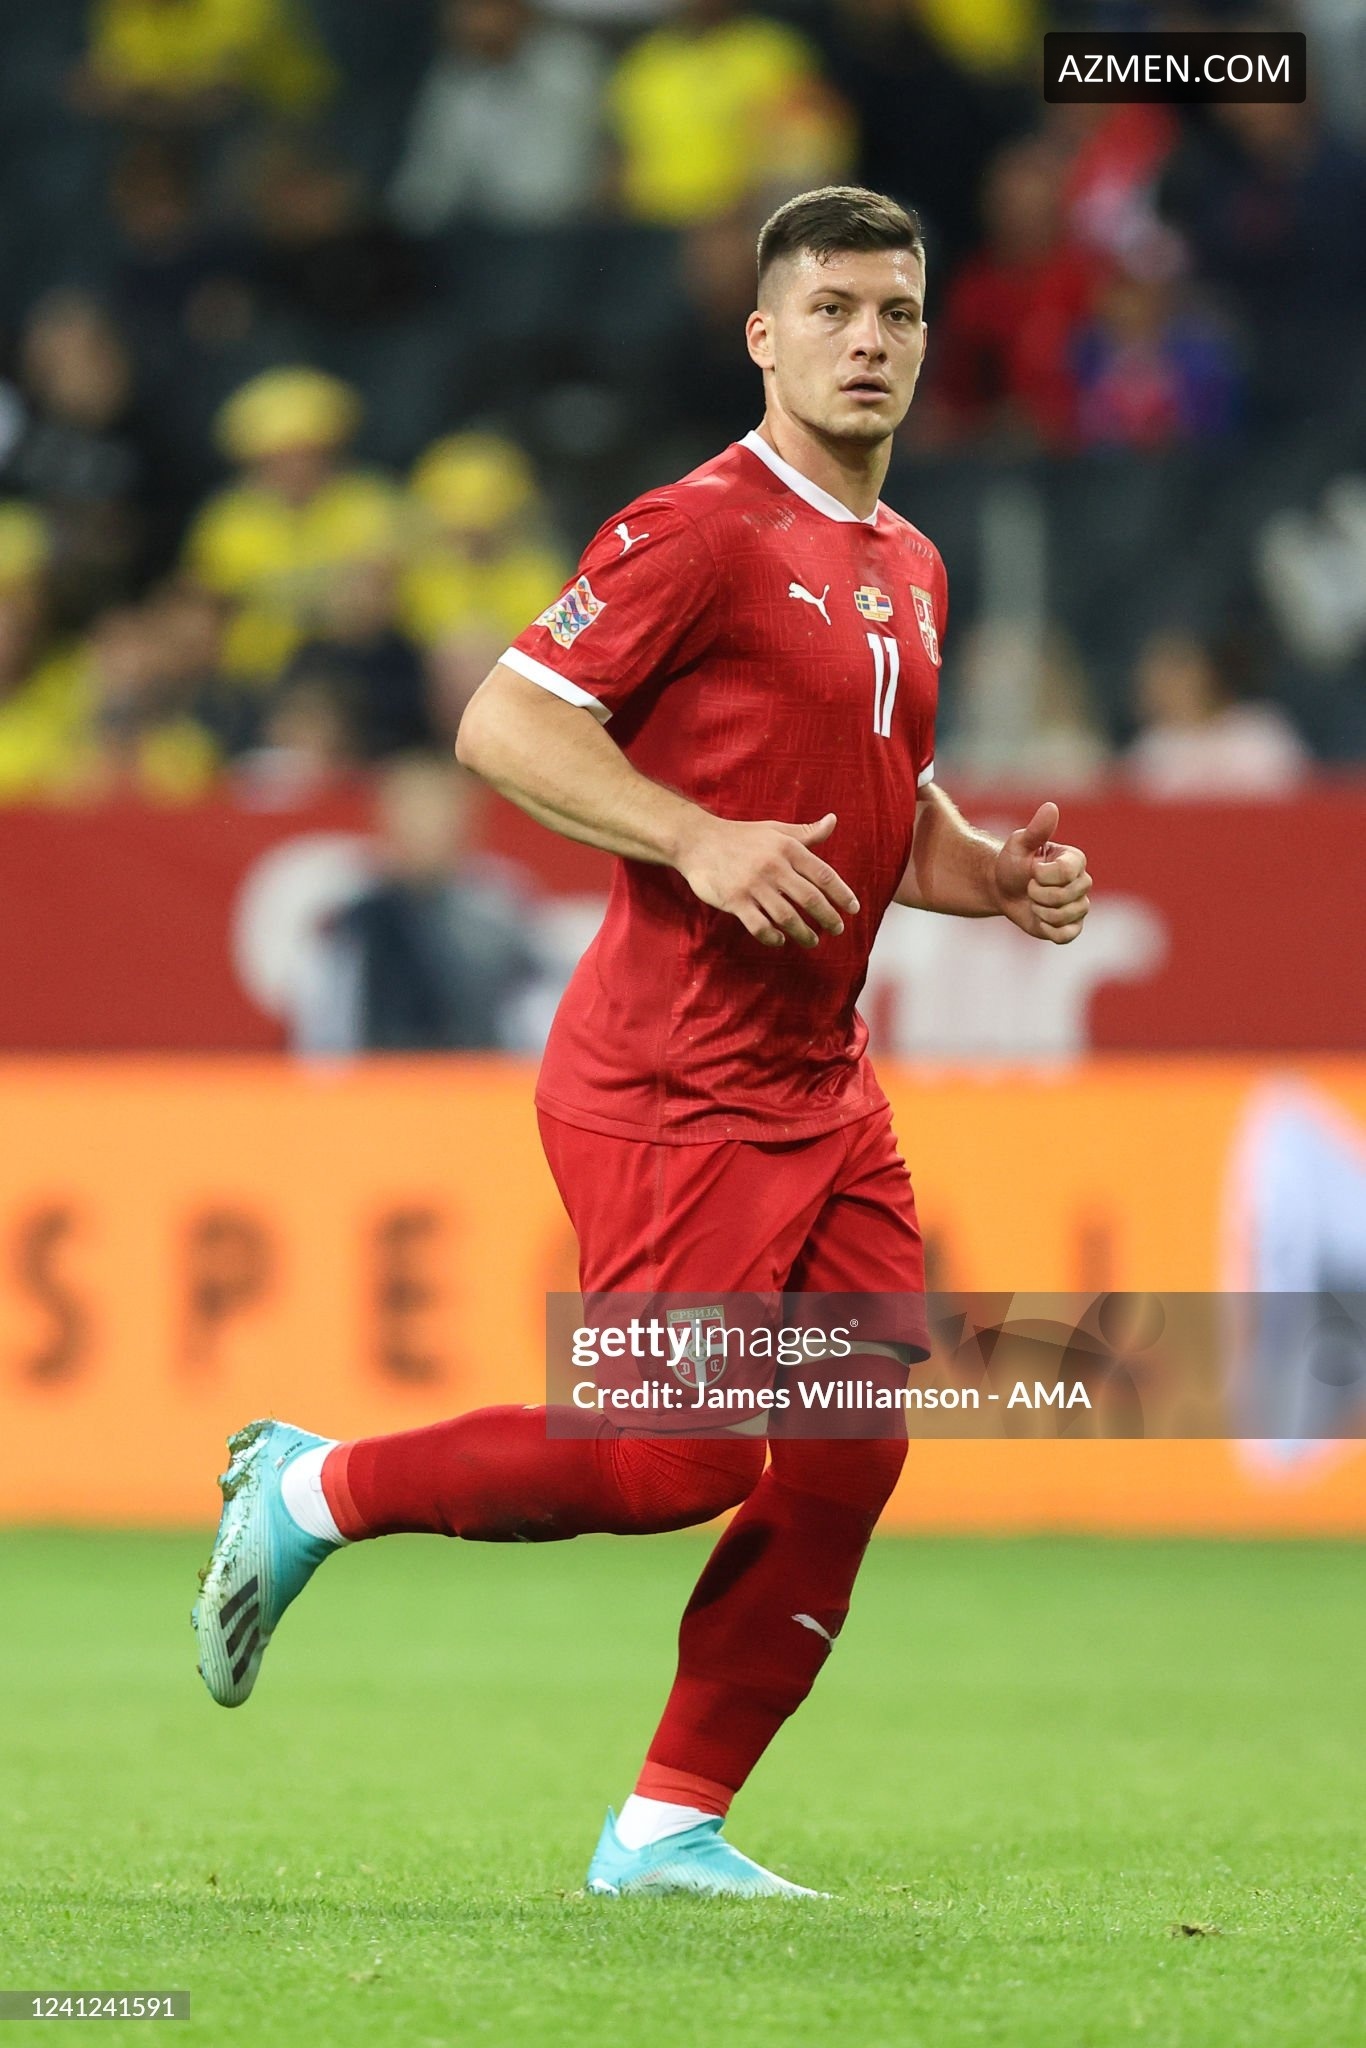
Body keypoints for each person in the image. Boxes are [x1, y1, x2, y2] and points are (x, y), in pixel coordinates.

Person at [192, 186, 1092, 1896]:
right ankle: (314, 1491)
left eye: (897, 313)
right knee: (669, 1462)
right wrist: (692, 836)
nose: (868, 342)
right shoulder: (695, 530)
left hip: (818, 1085)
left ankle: (668, 1824)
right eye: (830, 310)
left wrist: (987, 873)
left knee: (850, 1445)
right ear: (761, 336)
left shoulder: (908, 561)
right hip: (675, 1075)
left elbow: (886, 803)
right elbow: (500, 721)